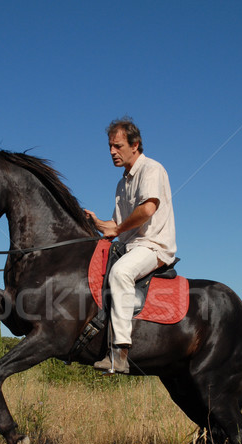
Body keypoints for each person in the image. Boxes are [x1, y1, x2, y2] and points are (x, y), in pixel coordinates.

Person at [85, 117, 176, 374]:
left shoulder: (152, 169)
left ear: (135, 145)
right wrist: (96, 223)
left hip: (153, 246)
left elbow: (147, 209)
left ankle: (120, 352)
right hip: (129, 246)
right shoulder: (121, 182)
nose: (112, 152)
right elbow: (115, 224)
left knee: (120, 273)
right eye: (110, 147)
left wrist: (115, 229)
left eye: (118, 146)